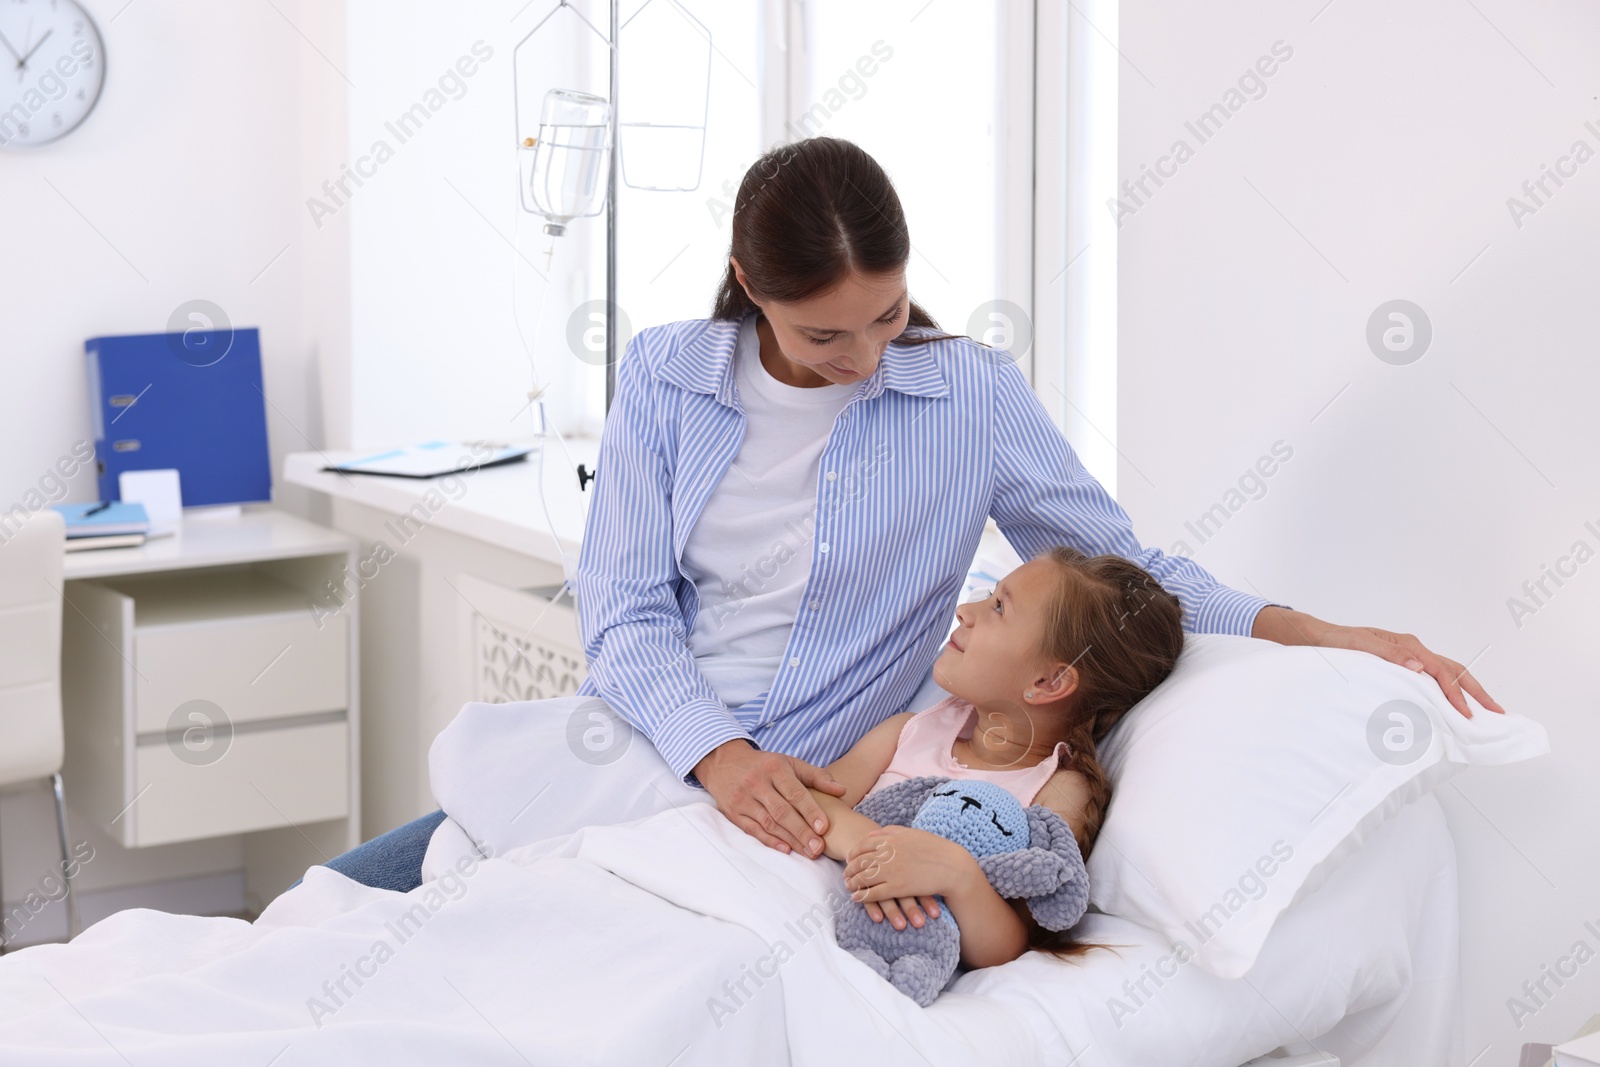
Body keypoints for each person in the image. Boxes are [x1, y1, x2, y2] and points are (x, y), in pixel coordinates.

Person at [324, 135, 1501, 891]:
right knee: (352, 905)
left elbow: (1121, 567)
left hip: (814, 791)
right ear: (748, 283)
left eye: (885, 317)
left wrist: (1332, 634)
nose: (862, 358)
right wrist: (721, 757)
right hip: (652, 744)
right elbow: (625, 611)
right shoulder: (667, 374)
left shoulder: (969, 397)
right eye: (822, 333)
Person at [816, 546, 1183, 971]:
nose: (964, 610)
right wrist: (877, 847)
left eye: (997, 607)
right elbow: (812, 800)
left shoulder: (1058, 791)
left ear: (1049, 681)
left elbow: (1009, 945)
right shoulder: (909, 731)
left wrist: (956, 874)